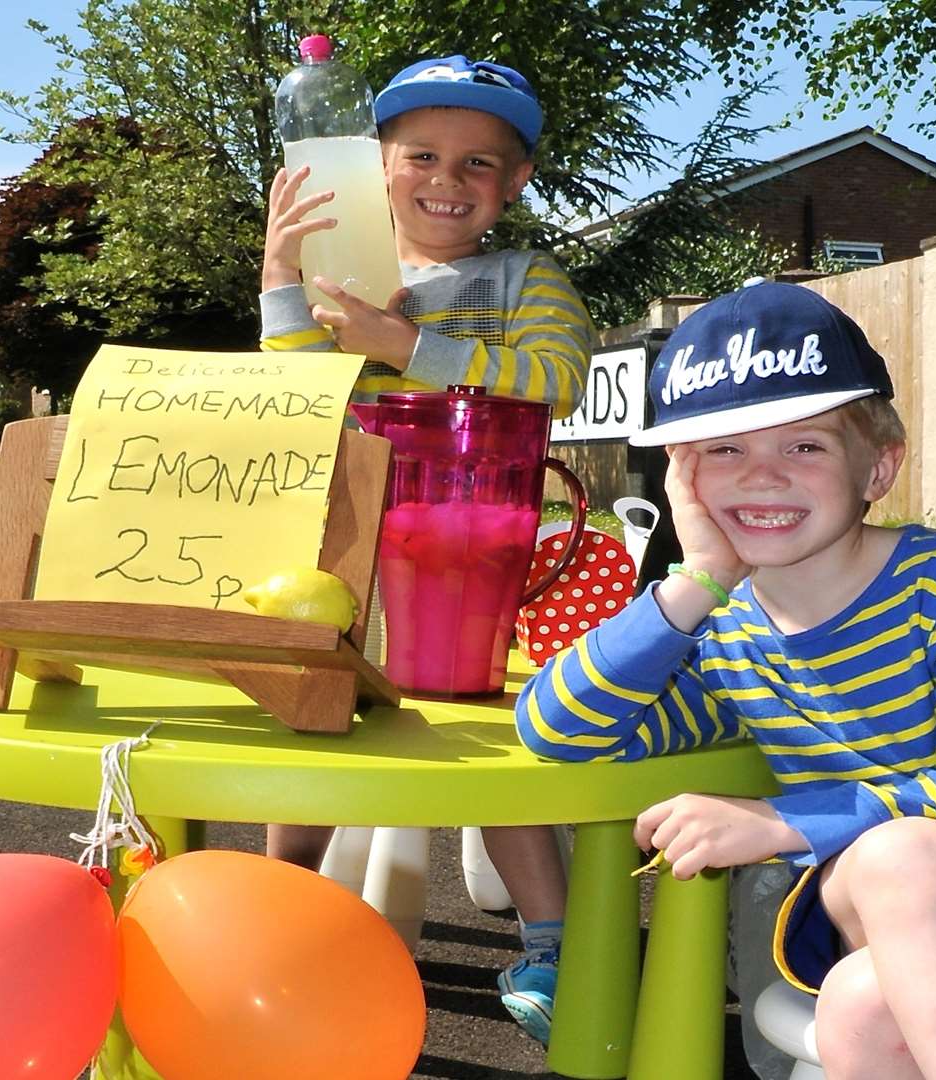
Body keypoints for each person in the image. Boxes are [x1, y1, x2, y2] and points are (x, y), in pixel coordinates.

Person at [515, 281, 936, 1078]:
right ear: (682, 479)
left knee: (881, 930)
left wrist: (777, 821)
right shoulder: (728, 634)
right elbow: (559, 727)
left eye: (804, 446)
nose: (762, 477)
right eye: (724, 450)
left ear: (878, 467)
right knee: (867, 980)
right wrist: (693, 581)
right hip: (900, 901)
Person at [259, 53, 595, 1042]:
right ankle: (279, 909)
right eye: (423, 156)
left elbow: (554, 380)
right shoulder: (344, 271)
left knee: (483, 738)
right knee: (314, 724)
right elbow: (294, 391)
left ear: (517, 180)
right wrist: (285, 281)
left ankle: (553, 942)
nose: (448, 180)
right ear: (376, 164)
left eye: (480, 162)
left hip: (467, 556)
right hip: (348, 549)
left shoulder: (525, 278)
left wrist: (404, 346)